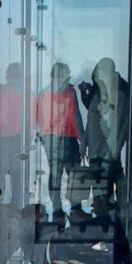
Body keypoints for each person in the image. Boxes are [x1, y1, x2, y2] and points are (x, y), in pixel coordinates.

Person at [80, 57, 129, 215]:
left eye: (98, 76)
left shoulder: (119, 95)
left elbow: (122, 124)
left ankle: (111, 224)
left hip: (107, 151)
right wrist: (84, 144)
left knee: (105, 194)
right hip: (96, 151)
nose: (96, 79)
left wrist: (116, 147)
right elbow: (91, 122)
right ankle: (106, 222)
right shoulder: (99, 94)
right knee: (101, 194)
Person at [35, 62, 83, 221]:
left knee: (55, 174)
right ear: (62, 75)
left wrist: (43, 137)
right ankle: (76, 208)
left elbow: (40, 119)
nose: (69, 76)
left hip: (49, 138)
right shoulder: (69, 92)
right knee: (74, 173)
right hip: (68, 137)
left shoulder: (43, 93)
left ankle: (56, 209)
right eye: (67, 73)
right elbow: (74, 117)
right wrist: (83, 139)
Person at [0, 63, 24, 203]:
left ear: (8, 75)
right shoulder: (27, 92)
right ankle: (16, 206)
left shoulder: (3, 92)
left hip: (3, 138)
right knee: (17, 176)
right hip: (19, 140)